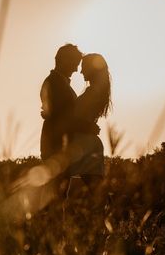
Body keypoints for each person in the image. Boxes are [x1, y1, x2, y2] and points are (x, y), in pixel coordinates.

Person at [66, 53, 112, 192]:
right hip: (85, 142)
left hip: (85, 145)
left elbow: (76, 118)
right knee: (96, 189)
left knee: (96, 189)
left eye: (84, 67)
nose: (81, 71)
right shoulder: (96, 91)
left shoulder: (93, 92)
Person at [40, 44, 83, 161]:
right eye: (74, 64)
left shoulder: (59, 82)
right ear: (63, 60)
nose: (76, 69)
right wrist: (86, 127)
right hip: (56, 147)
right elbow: (62, 116)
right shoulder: (54, 83)